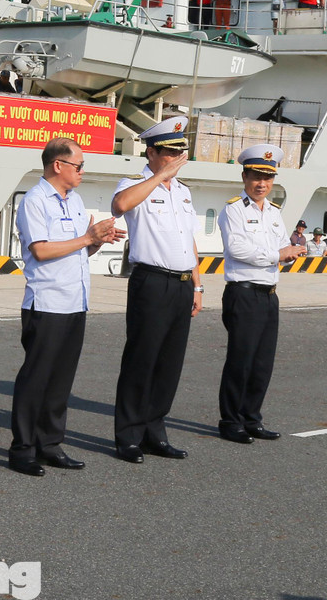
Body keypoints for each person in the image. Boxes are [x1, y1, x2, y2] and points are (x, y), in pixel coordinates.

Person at [8, 137, 124, 476]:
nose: (82, 172)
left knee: (60, 381)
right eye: (79, 165)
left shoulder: (75, 200)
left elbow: (77, 250)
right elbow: (41, 250)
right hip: (47, 302)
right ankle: (22, 449)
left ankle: (50, 444)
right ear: (58, 165)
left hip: (75, 300)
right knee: (36, 379)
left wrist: (96, 242)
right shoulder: (35, 201)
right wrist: (88, 237)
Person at [110, 118, 199, 464]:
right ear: (151, 153)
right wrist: (159, 177)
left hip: (182, 284)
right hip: (151, 281)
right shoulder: (135, 183)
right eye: (169, 153)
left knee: (169, 364)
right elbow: (120, 206)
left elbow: (188, 240)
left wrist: (197, 284)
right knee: (141, 360)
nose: (176, 160)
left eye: (179, 153)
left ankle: (155, 432)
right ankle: (129, 437)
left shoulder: (183, 191)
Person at [216, 144, 305, 445]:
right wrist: (279, 254)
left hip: (269, 294)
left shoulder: (274, 213)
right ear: (244, 177)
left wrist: (290, 253)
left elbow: (281, 247)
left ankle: (251, 418)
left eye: (267, 178)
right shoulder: (233, 210)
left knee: (262, 363)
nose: (261, 183)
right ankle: (230, 421)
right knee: (240, 361)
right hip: (243, 293)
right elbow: (237, 250)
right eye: (256, 176)